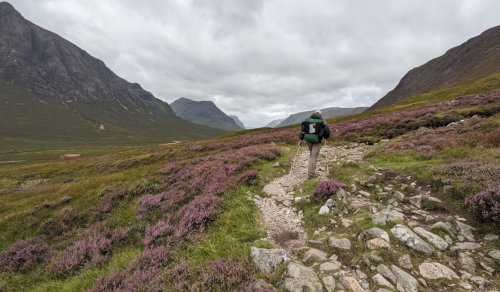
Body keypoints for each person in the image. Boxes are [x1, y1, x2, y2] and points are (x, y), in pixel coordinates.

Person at [299, 110, 331, 179]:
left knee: (312, 155)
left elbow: (302, 130)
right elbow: (327, 132)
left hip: (309, 140)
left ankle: (312, 168)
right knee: (313, 156)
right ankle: (310, 175)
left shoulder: (308, 120)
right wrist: (325, 137)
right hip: (317, 141)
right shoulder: (323, 121)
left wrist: (301, 139)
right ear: (320, 115)